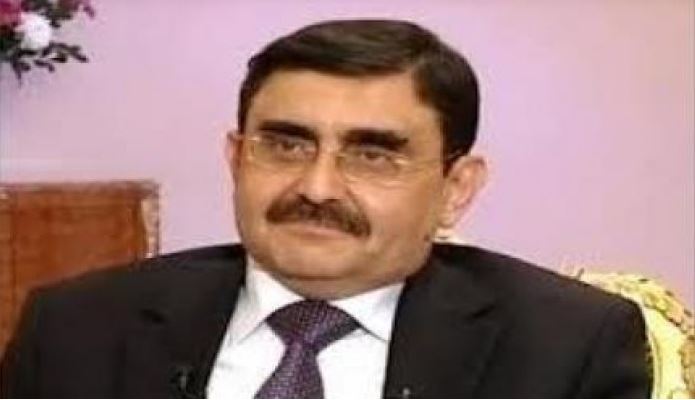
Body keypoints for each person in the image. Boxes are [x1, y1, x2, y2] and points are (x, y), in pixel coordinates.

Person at [0, 19, 650, 398]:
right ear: (236, 158)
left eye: (372, 155)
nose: (316, 187)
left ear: (456, 187)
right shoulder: (77, 329)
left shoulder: (564, 348)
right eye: (285, 145)